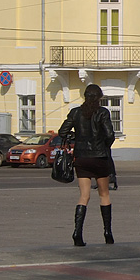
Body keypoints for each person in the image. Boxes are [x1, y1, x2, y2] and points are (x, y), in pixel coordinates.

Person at [58, 83, 116, 246]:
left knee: (84, 196)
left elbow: (62, 132)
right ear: (99, 98)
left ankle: (77, 232)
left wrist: (79, 137)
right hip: (99, 158)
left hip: (81, 158)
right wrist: (103, 145)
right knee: (104, 194)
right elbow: (110, 135)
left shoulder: (76, 112)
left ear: (85, 96)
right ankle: (107, 233)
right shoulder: (103, 113)